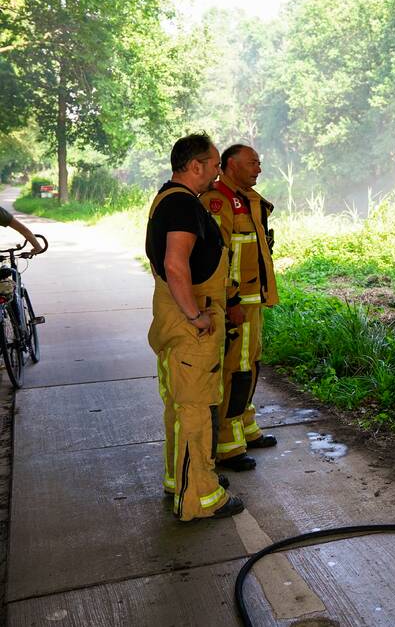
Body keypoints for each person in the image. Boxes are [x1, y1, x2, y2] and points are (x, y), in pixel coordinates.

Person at [145, 132, 244, 521]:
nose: (218, 173)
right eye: (216, 165)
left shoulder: (168, 198)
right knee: (196, 410)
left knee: (179, 405)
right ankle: (201, 497)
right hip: (189, 324)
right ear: (195, 165)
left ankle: (180, 479)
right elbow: (174, 264)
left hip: (174, 316)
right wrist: (195, 315)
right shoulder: (183, 205)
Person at [200, 144, 278, 472]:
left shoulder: (249, 199)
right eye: (253, 163)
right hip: (237, 304)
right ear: (231, 165)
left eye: (259, 162)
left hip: (253, 300)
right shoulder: (218, 200)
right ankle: (228, 445)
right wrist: (230, 300)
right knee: (238, 368)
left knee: (252, 363)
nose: (258, 169)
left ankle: (245, 425)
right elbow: (218, 256)